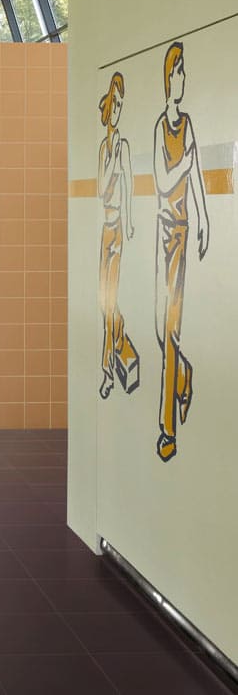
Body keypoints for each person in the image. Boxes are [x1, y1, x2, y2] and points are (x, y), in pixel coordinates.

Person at [153, 42, 209, 462]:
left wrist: (204, 217)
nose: (182, 80)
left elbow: (197, 177)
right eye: (178, 73)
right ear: (167, 78)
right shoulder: (162, 126)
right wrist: (183, 169)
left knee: (170, 332)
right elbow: (163, 179)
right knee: (160, 330)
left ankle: (166, 429)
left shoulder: (187, 123)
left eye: (184, 73)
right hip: (163, 231)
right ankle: (185, 376)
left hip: (183, 233)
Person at [97, 72, 137, 400]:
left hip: (118, 230)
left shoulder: (121, 145)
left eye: (121, 105)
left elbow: (130, 186)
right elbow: (101, 188)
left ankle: (108, 369)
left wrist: (132, 219)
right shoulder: (105, 148)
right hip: (104, 231)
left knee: (108, 303)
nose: (118, 110)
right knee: (103, 301)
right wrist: (113, 164)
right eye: (116, 103)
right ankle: (120, 335)